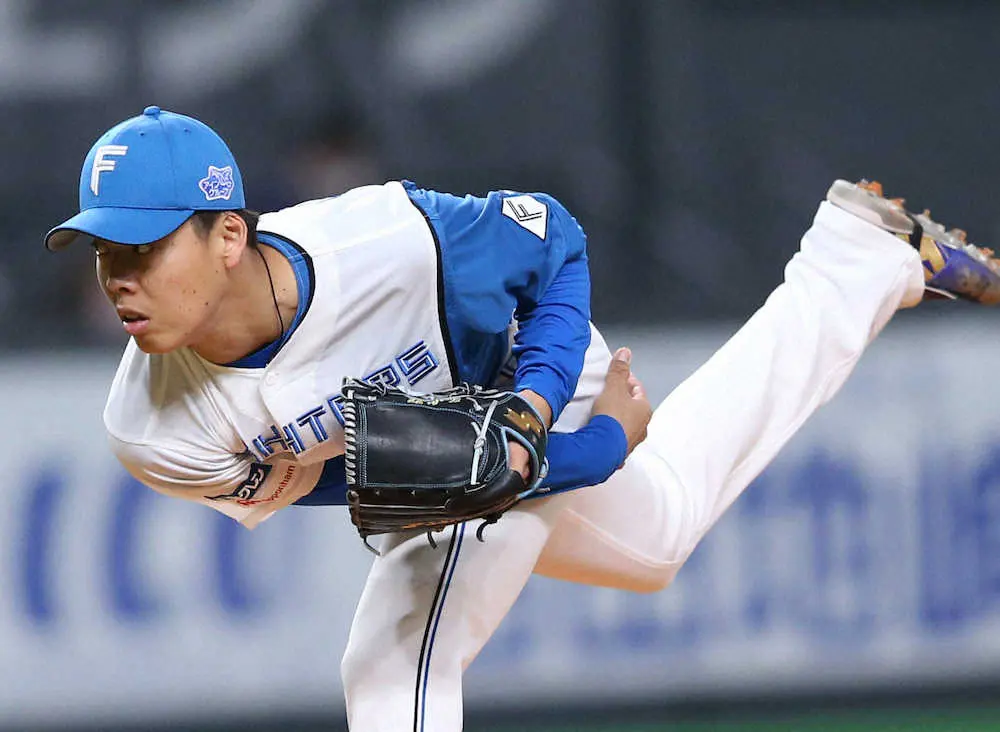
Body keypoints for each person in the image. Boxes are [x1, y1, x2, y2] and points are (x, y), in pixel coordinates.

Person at [45, 106, 999, 731]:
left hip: (532, 362)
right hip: (473, 449)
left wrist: (540, 416)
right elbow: (387, 478)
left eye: (142, 244)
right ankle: (855, 263)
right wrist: (574, 455)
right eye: (100, 249)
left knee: (395, 665)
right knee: (659, 532)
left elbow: (553, 240)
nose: (118, 276)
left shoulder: (387, 241)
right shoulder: (150, 429)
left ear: (228, 237)